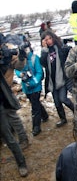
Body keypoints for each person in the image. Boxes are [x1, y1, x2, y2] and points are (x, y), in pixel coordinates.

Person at [0, 34, 29, 177]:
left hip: (4, 93)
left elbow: (19, 65)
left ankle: (23, 143)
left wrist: (22, 56)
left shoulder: (7, 51)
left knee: (12, 120)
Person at [40, 31, 75, 127]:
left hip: (62, 79)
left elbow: (69, 53)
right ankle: (63, 119)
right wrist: (44, 50)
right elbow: (43, 63)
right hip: (52, 81)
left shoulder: (60, 48)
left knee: (63, 99)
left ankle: (76, 113)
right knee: (57, 102)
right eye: (46, 40)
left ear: (53, 38)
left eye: (50, 38)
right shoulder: (45, 51)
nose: (49, 41)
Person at [15, 42, 48, 136]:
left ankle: (36, 127)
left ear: (29, 48)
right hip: (26, 88)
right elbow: (16, 69)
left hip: (35, 87)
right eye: (24, 50)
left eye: (26, 49)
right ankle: (45, 115)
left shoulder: (34, 58)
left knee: (35, 107)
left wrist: (33, 82)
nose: (25, 51)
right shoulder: (20, 59)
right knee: (36, 103)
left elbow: (39, 72)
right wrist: (19, 74)